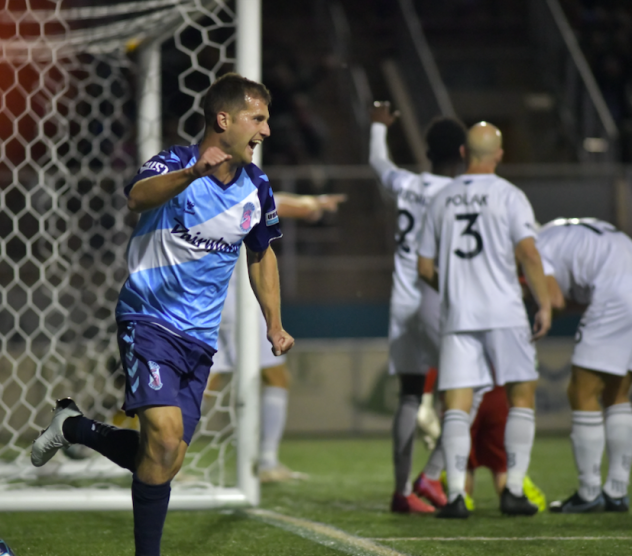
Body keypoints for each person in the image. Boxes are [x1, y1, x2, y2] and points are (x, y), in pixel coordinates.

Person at [30, 73, 294, 556]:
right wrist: (193, 172)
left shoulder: (256, 185)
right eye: (258, 119)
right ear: (224, 120)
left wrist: (272, 323)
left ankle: (74, 427)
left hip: (199, 338)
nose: (266, 130)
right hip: (148, 319)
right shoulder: (174, 161)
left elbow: (263, 254)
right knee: (166, 438)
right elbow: (136, 197)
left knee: (164, 457)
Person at [417, 121, 551, 518]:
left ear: (463, 153)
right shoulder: (510, 195)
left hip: (459, 314)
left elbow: (425, 267)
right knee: (521, 395)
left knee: (456, 404)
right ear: (500, 155)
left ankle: (455, 496)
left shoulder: (441, 199)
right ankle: (512, 490)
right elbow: (528, 253)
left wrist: (457, 288)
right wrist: (543, 304)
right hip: (506, 312)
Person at [369, 101, 467, 514]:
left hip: (403, 299)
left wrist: (378, 126)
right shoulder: (460, 195)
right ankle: (433, 475)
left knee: (410, 395)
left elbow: (378, 161)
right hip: (440, 299)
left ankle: (401, 490)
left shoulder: (407, 185)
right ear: (463, 153)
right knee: (467, 393)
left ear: (427, 151)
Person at [208, 192, 346, 483]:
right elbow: (275, 203)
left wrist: (310, 204)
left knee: (205, 384)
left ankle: (156, 449)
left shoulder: (201, 191)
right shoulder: (238, 188)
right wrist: (312, 206)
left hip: (206, 300)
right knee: (276, 377)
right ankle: (267, 462)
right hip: (235, 301)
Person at [536, 218, 632, 513]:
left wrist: (531, 296)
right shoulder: (562, 230)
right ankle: (616, 489)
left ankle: (589, 492)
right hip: (624, 282)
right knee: (617, 393)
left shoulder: (536, 246)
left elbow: (554, 300)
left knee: (581, 391)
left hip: (615, 293)